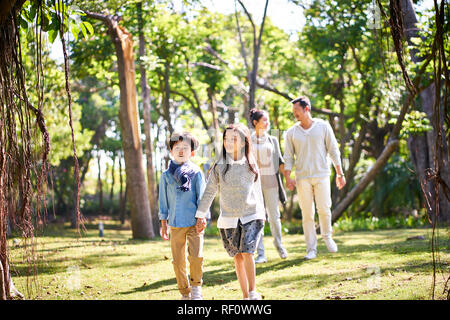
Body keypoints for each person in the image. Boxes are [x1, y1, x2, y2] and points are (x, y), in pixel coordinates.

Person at [195, 123, 265, 300]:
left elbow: (257, 191)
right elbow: (209, 191)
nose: (228, 142)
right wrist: (200, 215)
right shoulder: (219, 166)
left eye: (233, 139)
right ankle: (244, 296)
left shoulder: (251, 164)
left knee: (248, 252)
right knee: (238, 257)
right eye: (226, 139)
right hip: (229, 219)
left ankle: (252, 292)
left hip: (251, 216)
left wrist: (262, 214)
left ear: (243, 142)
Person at [283, 96, 346, 260]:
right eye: (293, 111)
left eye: (297, 110)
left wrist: (340, 174)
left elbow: (333, 151)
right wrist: (288, 178)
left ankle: (327, 237)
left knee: (324, 208)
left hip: (322, 175)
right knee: (307, 214)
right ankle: (311, 249)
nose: (294, 114)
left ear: (306, 109)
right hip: (302, 178)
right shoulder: (291, 132)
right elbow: (288, 157)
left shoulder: (323, 126)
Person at [159, 132, 206, 300]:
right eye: (177, 148)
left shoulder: (196, 173)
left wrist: (202, 218)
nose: (181, 151)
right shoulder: (166, 176)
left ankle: (196, 288)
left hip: (195, 223)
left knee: (196, 256)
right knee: (178, 261)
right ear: (171, 151)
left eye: (185, 148)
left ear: (192, 152)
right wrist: (163, 223)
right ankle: (184, 292)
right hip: (175, 223)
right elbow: (163, 201)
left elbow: (202, 197)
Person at [249, 109, 288, 263]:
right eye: (264, 120)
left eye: (267, 120)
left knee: (274, 217)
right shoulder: (248, 141)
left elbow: (280, 162)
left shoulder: (272, 140)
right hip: (254, 185)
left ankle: (279, 245)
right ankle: (261, 254)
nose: (267, 123)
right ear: (255, 123)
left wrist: (289, 179)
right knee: (258, 218)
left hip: (271, 183)